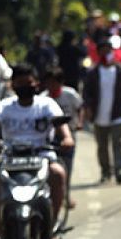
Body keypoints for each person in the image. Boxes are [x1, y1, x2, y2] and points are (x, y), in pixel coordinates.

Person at [0, 63, 74, 239]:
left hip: (42, 156)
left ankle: (52, 227)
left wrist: (67, 138)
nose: (24, 87)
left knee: (58, 174)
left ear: (36, 83)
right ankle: (3, 234)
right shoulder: (5, 106)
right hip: (11, 158)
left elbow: (61, 124)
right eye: (19, 83)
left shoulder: (46, 104)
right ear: (12, 85)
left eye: (28, 82)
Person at [83, 39, 121, 184]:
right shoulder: (93, 72)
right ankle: (106, 172)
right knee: (102, 146)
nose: (106, 53)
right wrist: (87, 108)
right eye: (103, 50)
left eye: (108, 50)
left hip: (117, 114)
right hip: (99, 115)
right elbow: (87, 93)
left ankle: (120, 170)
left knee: (118, 143)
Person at [41, 66, 84, 208]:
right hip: (49, 138)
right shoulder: (43, 98)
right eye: (48, 83)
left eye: (54, 82)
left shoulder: (70, 94)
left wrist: (79, 122)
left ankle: (66, 196)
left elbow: (80, 108)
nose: (51, 86)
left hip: (68, 135)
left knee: (67, 168)